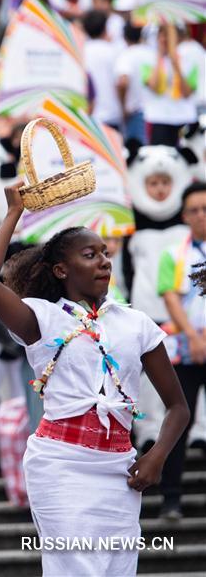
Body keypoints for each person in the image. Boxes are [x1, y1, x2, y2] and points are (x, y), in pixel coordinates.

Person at [0, 183, 189, 576]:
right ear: (61, 270)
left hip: (120, 470)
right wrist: (12, 214)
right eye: (90, 254)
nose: (104, 262)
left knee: (117, 568)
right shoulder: (42, 317)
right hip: (61, 465)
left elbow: (178, 407)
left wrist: (156, 456)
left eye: (106, 254)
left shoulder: (136, 323)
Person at [157, 182, 206, 520]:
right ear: (184, 215)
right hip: (188, 349)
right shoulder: (174, 253)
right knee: (179, 419)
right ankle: (171, 497)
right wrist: (195, 338)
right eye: (194, 210)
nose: (201, 216)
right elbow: (170, 296)